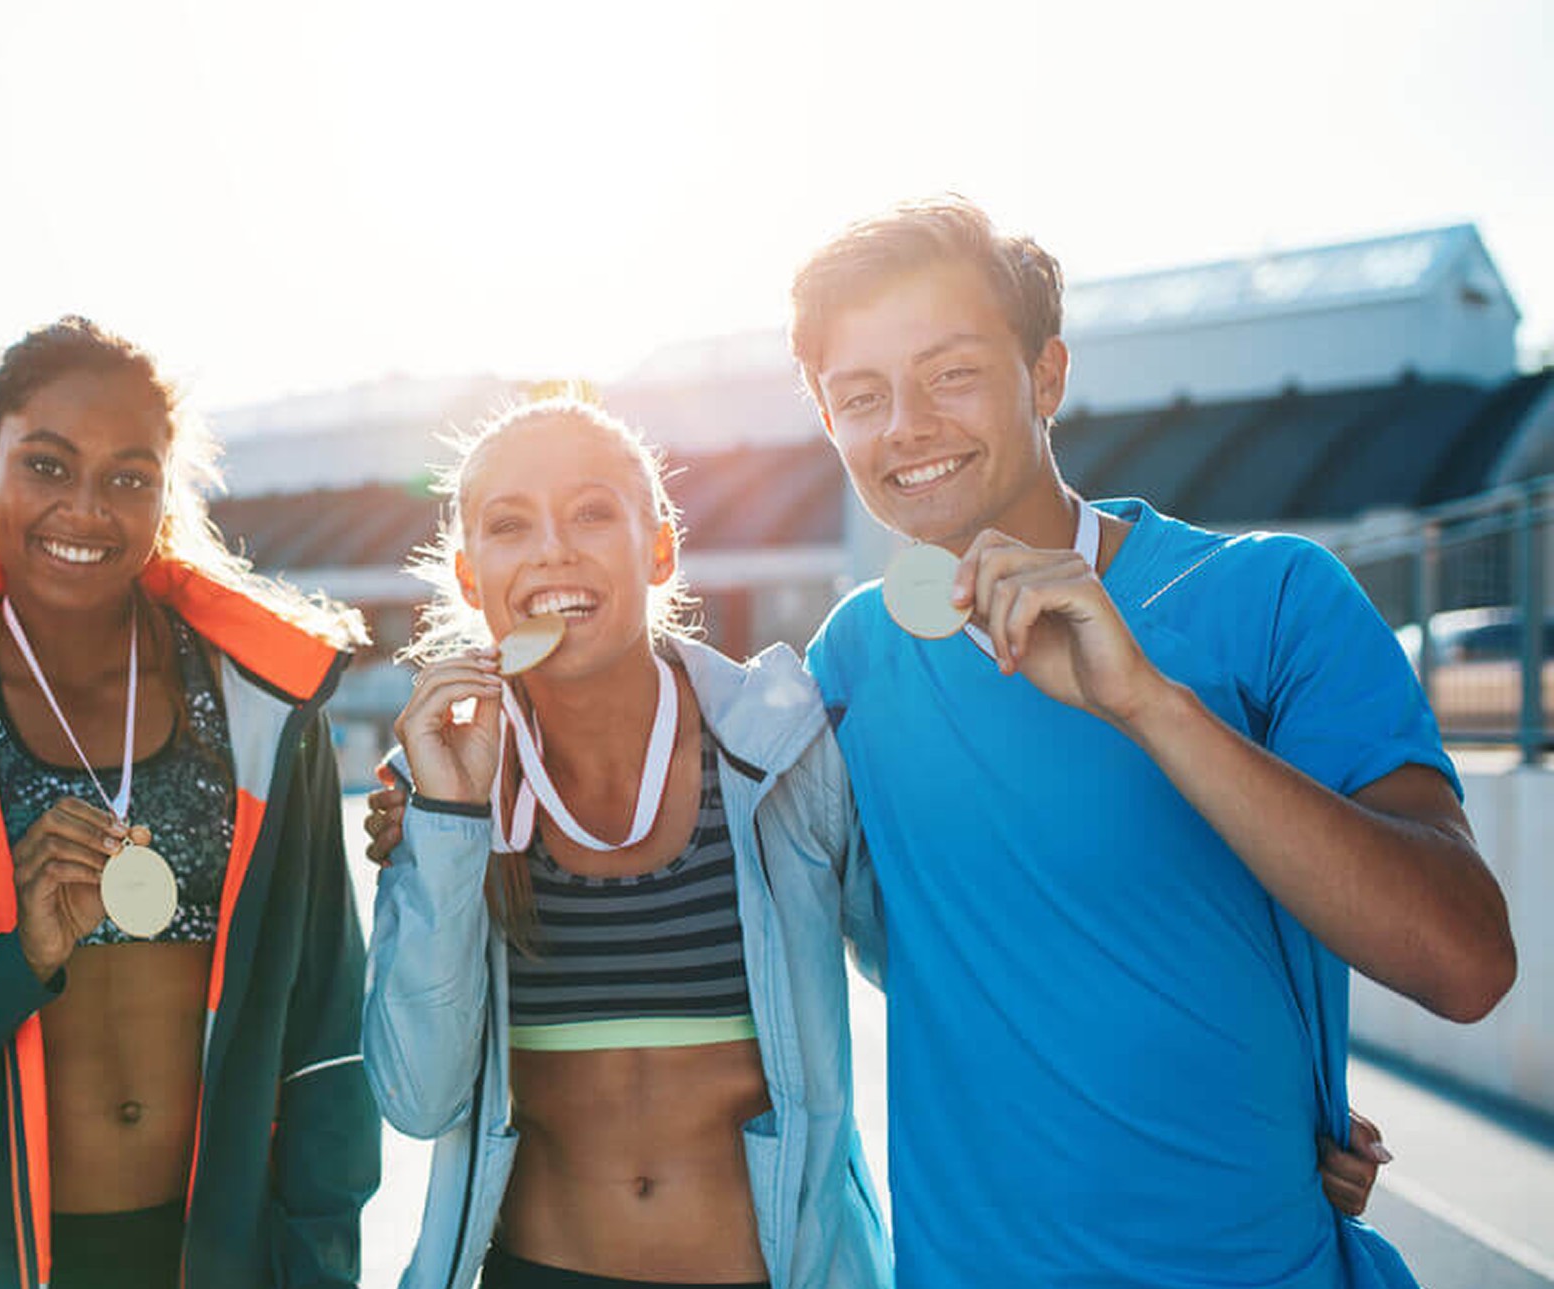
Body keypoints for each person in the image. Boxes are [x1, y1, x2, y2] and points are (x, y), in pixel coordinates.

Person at [787, 196, 1514, 1286]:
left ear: (1046, 376)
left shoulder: (1271, 598)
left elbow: (1466, 964)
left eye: (951, 373)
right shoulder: (851, 660)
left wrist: (1148, 702)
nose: (906, 427)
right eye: (861, 396)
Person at [0, 316, 379, 1288]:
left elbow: (327, 1031)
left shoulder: (262, 702)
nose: (85, 509)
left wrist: (319, 1259)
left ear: (167, 490)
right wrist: (21, 957)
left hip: (209, 1256)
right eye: (47, 465)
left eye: (128, 476)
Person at [365, 396, 891, 1289]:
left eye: (591, 513)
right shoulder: (446, 785)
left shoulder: (785, 748)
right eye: (509, 525)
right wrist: (450, 823)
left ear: (660, 548)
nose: (552, 551)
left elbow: (926, 967)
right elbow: (419, 1101)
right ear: (467, 575)